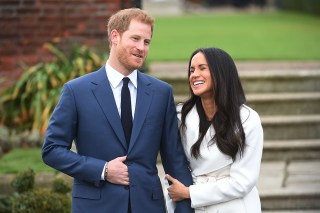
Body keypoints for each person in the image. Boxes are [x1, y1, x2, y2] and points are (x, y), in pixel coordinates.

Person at [42, 8, 193, 213]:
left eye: (146, 42)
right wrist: (103, 170)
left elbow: (175, 160)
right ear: (115, 36)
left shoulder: (161, 92)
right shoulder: (77, 91)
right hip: (95, 206)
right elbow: (52, 150)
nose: (141, 47)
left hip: (148, 206)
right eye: (135, 38)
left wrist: (184, 210)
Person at [165, 47, 264, 213]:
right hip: (193, 207)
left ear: (221, 73)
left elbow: (243, 182)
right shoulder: (181, 116)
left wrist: (190, 192)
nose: (194, 74)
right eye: (192, 70)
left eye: (202, 68)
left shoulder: (248, 119)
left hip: (235, 206)